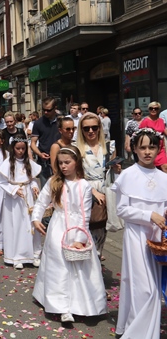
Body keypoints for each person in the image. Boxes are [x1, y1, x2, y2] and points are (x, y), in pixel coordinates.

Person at [31, 146, 106, 324]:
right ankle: (61, 306)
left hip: (78, 228)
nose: (63, 166)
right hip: (58, 227)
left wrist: (80, 239)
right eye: (60, 163)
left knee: (81, 267)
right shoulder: (54, 182)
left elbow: (84, 214)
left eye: (67, 162)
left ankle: (82, 304)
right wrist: (36, 218)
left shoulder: (84, 185)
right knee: (59, 265)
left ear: (76, 163)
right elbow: (41, 202)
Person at [113, 128, 167, 339]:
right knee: (144, 287)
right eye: (142, 147)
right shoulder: (128, 175)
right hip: (136, 235)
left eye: (152, 147)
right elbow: (122, 210)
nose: (147, 152)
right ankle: (138, 333)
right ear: (134, 149)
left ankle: (144, 330)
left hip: (158, 237)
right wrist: (148, 215)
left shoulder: (163, 177)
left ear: (158, 149)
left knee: (154, 284)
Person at [75, 112, 120, 259]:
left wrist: (116, 170)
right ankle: (89, 261)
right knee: (86, 228)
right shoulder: (76, 148)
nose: (91, 131)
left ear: (100, 128)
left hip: (105, 190)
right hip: (84, 190)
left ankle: (96, 258)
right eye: (86, 128)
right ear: (81, 130)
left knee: (101, 227)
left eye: (94, 127)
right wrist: (93, 191)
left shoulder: (109, 146)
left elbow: (112, 172)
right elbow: (75, 175)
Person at [0, 134, 42, 269]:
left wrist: (34, 187)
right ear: (13, 148)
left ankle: (34, 254)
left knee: (30, 225)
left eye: (23, 149)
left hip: (28, 196)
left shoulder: (28, 163)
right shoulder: (8, 163)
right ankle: (16, 256)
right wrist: (14, 189)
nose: (21, 151)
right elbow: (2, 182)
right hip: (14, 199)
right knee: (16, 225)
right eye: (18, 148)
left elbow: (32, 179)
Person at [30, 97, 61, 184]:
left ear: (55, 108)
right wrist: (40, 154)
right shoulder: (38, 123)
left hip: (61, 159)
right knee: (46, 188)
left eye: (48, 110)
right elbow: (33, 143)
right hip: (44, 162)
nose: (46, 112)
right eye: (44, 110)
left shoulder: (61, 121)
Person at [139, 101, 167, 172]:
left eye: (156, 108)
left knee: (165, 167)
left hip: (160, 149)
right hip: (150, 148)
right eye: (151, 108)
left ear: (158, 110)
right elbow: (140, 135)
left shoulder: (161, 121)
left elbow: (163, 132)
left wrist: (163, 146)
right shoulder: (145, 121)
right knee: (151, 169)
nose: (153, 110)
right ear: (149, 110)